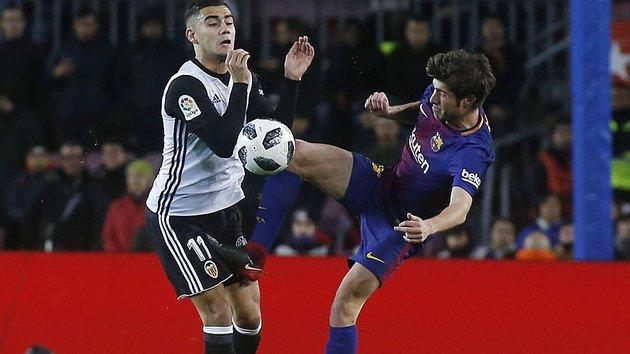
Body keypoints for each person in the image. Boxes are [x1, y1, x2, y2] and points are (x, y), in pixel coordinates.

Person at [231, 49, 495, 353]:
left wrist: (428, 226)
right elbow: (421, 110)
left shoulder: (472, 151)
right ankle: (255, 254)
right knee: (294, 153)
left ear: (469, 102)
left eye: (442, 95)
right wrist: (390, 113)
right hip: (380, 182)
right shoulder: (439, 97)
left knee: (344, 306)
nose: (433, 98)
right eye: (433, 89)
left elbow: (460, 208)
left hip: (401, 226)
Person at [143, 1, 314, 353]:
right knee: (218, 312)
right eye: (212, 22)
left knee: (249, 314)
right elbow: (223, 143)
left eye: (229, 21)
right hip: (179, 216)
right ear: (193, 34)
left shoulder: (245, 79)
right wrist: (239, 85)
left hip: (225, 210)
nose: (225, 28)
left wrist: (292, 80)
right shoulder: (185, 86)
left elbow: (276, 135)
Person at [102, 159, 154, 252]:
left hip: (149, 261)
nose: (136, 181)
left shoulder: (157, 208)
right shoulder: (116, 207)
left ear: (150, 181)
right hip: (119, 261)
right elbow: (108, 237)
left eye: (141, 176)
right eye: (132, 176)